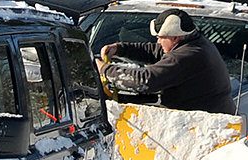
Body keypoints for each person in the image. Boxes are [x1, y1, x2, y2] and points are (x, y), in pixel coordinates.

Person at [97, 9, 237, 114]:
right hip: (205, 115)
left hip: (204, 125)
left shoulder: (186, 56)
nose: (158, 41)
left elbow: (145, 81)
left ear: (175, 38)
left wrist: (104, 70)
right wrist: (121, 49)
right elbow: (155, 50)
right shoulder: (195, 43)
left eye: (161, 37)